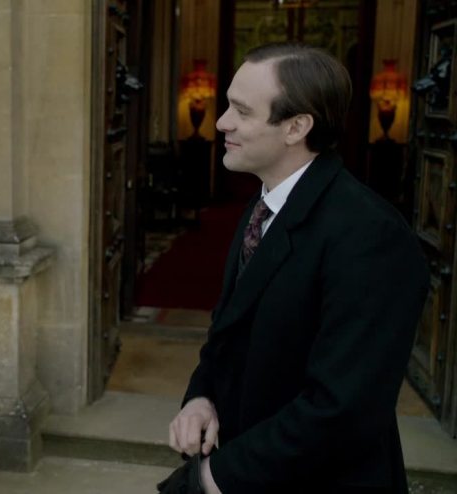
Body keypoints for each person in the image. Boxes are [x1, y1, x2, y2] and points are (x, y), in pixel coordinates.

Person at [168, 43, 429, 494]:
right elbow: (228, 334)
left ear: (296, 127)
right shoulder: (262, 205)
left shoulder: (372, 235)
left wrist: (217, 476)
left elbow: (344, 408)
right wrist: (200, 397)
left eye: (242, 111)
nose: (222, 122)